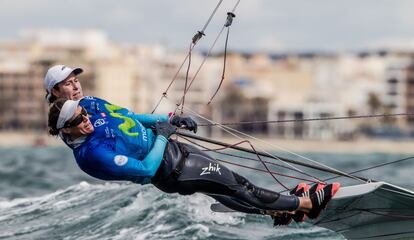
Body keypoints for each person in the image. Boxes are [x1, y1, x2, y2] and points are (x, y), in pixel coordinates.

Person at [47, 97, 341, 226]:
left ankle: (278, 212)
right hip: (173, 171)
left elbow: (132, 118)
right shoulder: (92, 156)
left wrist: (168, 120)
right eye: (78, 121)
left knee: (229, 187)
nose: (86, 121)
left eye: (84, 115)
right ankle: (306, 205)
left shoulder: (90, 114)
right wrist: (161, 137)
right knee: (238, 186)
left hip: (176, 151)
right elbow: (146, 169)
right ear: (65, 130)